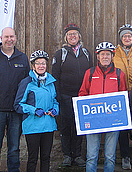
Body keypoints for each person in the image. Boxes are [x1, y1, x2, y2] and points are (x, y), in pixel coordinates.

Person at [0, 27, 30, 172]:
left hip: (16, 111)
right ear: (1, 38)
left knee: (14, 148)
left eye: (12, 37)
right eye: (6, 37)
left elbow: (28, 86)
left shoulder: (22, 58)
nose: (9, 39)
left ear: (16, 38)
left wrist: (25, 110)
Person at [79, 42, 127, 172]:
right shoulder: (90, 73)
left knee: (110, 156)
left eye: (108, 54)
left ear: (112, 56)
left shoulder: (119, 74)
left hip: (112, 120)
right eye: (102, 54)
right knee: (91, 156)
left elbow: (123, 96)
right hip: (94, 119)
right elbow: (83, 93)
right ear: (98, 57)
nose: (105, 57)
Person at [52, 23, 92, 167]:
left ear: (79, 37)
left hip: (81, 97)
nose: (72, 36)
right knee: (65, 127)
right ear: (66, 38)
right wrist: (58, 96)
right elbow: (54, 76)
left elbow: (90, 75)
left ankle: (77, 155)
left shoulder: (86, 53)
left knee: (79, 126)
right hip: (65, 96)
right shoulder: (60, 54)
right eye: (69, 34)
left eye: (75, 34)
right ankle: (67, 155)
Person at [14, 50, 59, 172]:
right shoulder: (27, 82)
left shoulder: (51, 82)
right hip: (32, 125)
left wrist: (55, 110)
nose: (41, 66)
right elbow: (18, 104)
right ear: (33, 66)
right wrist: (34, 110)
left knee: (46, 157)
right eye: (38, 63)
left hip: (48, 125)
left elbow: (55, 100)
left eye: (43, 63)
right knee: (32, 157)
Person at [112, 24, 132, 170]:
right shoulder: (114, 53)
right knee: (122, 125)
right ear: (120, 38)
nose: (127, 38)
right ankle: (125, 156)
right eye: (124, 36)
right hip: (120, 93)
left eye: (129, 36)